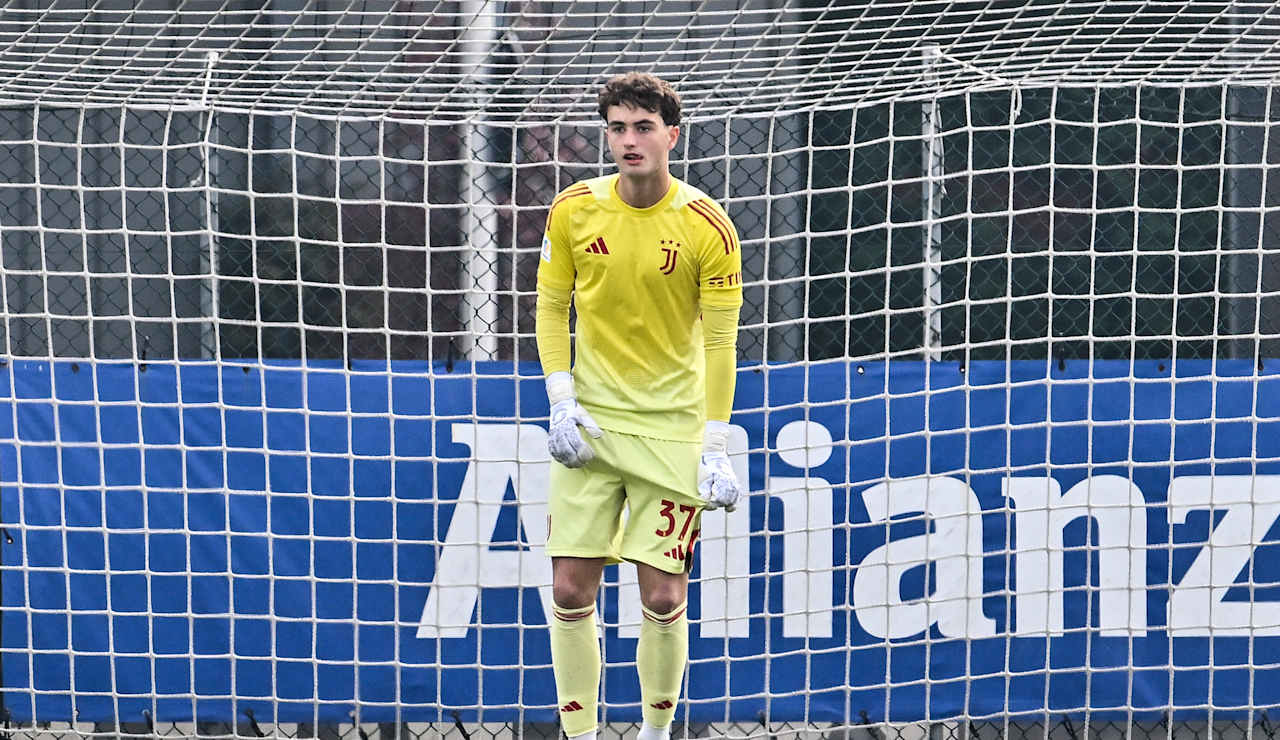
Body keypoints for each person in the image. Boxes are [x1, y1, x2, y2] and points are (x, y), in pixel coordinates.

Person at [534, 72, 745, 740]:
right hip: (591, 425)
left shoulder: (707, 225)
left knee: (662, 594)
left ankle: (655, 734)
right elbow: (550, 307)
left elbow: (721, 342)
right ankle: (581, 736)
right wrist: (561, 401)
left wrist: (714, 445)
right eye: (618, 128)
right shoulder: (574, 209)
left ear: (671, 137)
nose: (630, 140)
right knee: (569, 590)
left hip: (672, 431)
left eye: (644, 127)